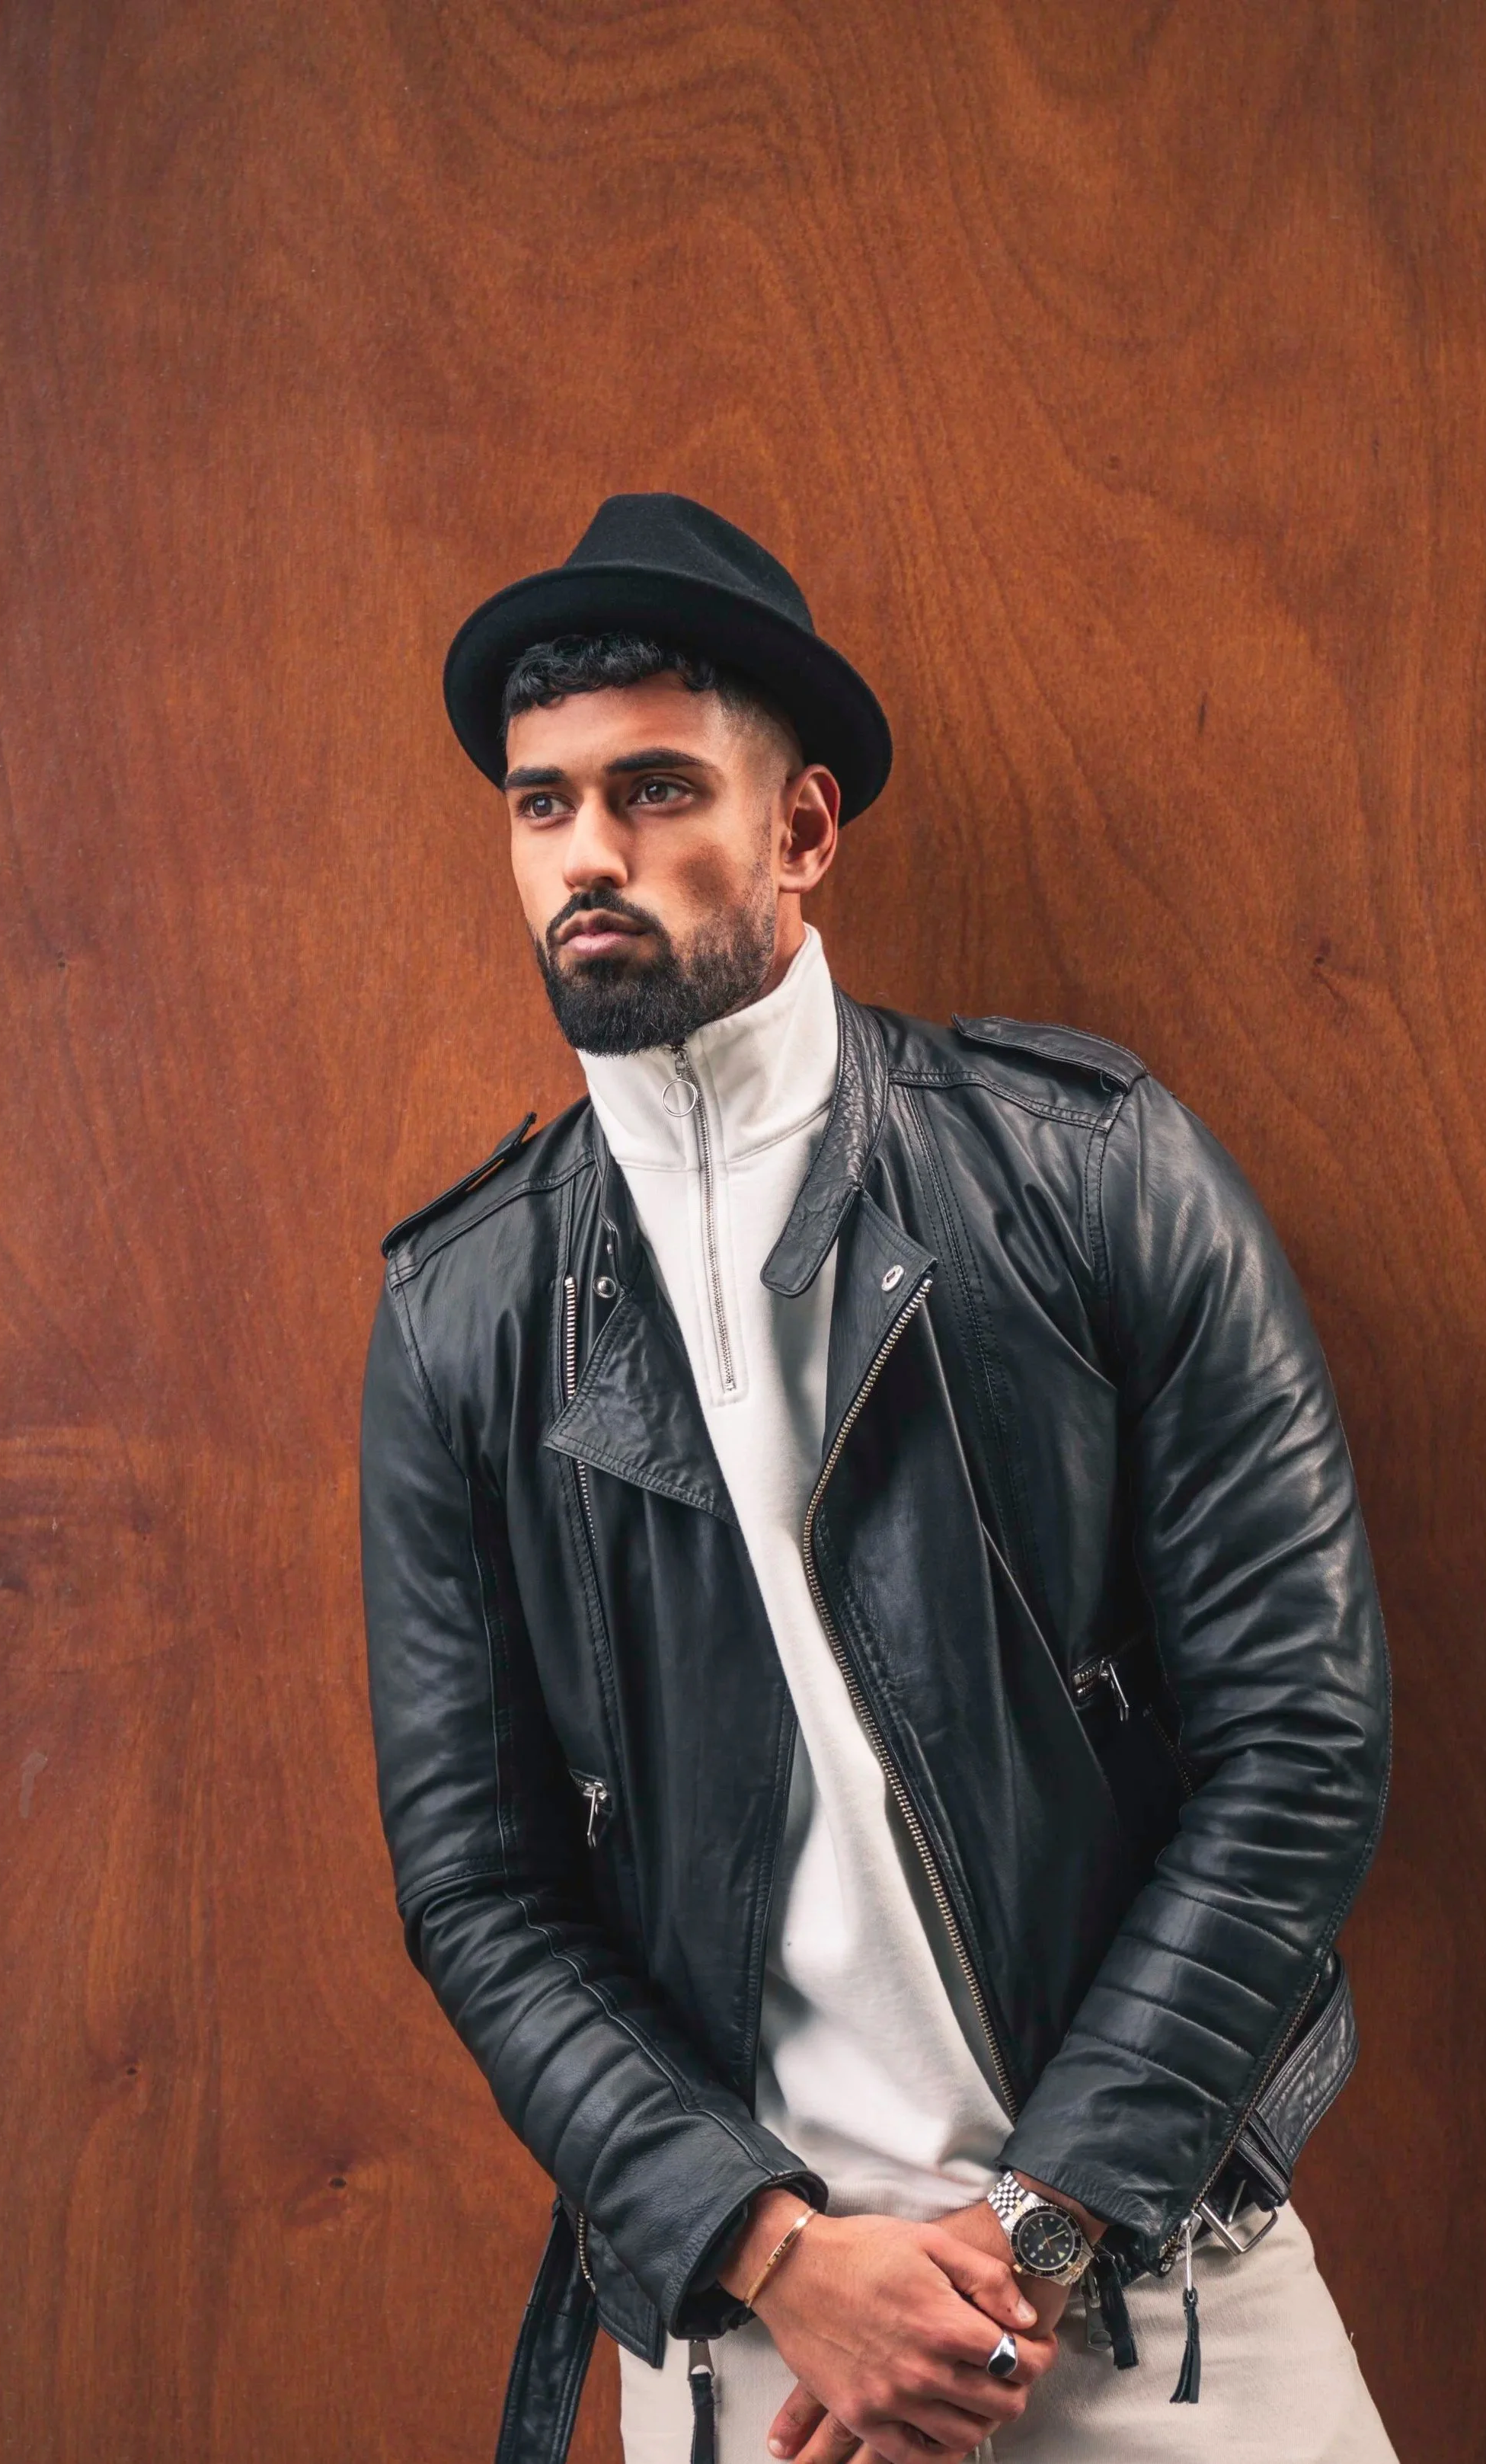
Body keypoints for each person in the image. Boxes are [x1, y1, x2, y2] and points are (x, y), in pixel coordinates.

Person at [360, 494, 1397, 2464]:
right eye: (542, 803)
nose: (587, 855)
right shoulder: (460, 1319)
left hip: (1158, 2270)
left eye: (657, 790)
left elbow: (1302, 1743)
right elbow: (477, 1886)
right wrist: (773, 2255)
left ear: (805, 829)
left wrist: (1040, 2228)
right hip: (756, 2328)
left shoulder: (1095, 1174)